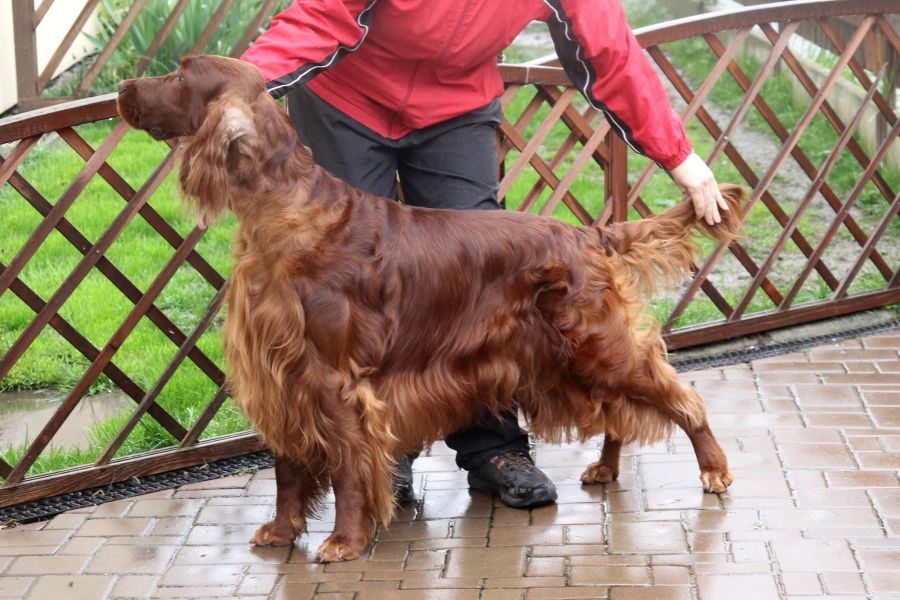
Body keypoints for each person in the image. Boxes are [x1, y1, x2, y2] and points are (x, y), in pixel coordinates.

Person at [240, 0, 728, 509]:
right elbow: (320, 12)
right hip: (348, 97)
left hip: (456, 105)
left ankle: (494, 449)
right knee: (354, 285)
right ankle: (384, 454)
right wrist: (244, 84)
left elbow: (610, 51)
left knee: (484, 280)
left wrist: (680, 157)